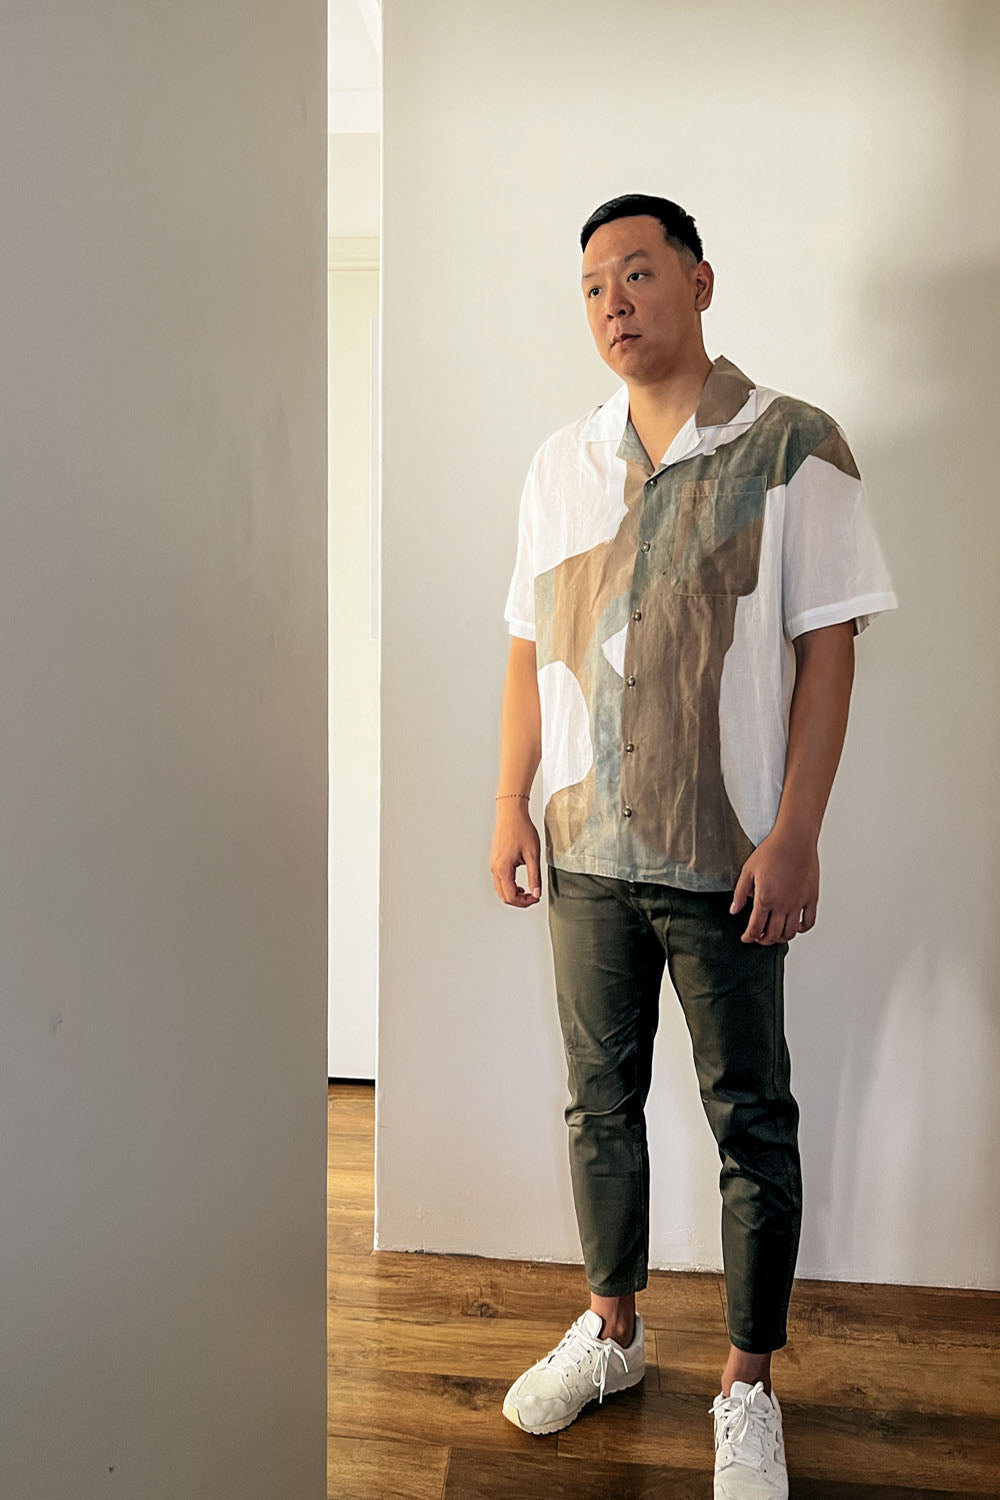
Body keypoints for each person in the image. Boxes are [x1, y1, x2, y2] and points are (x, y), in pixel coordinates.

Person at [490, 192, 899, 1499]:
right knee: (596, 1101)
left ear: (700, 280)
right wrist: (510, 800)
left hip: (729, 861)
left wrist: (797, 833)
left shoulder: (792, 447)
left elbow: (827, 650)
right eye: (594, 283)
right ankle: (612, 1330)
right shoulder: (562, 463)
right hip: (586, 853)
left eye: (639, 272)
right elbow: (524, 649)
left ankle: (747, 1383)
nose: (614, 299)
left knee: (750, 1117)